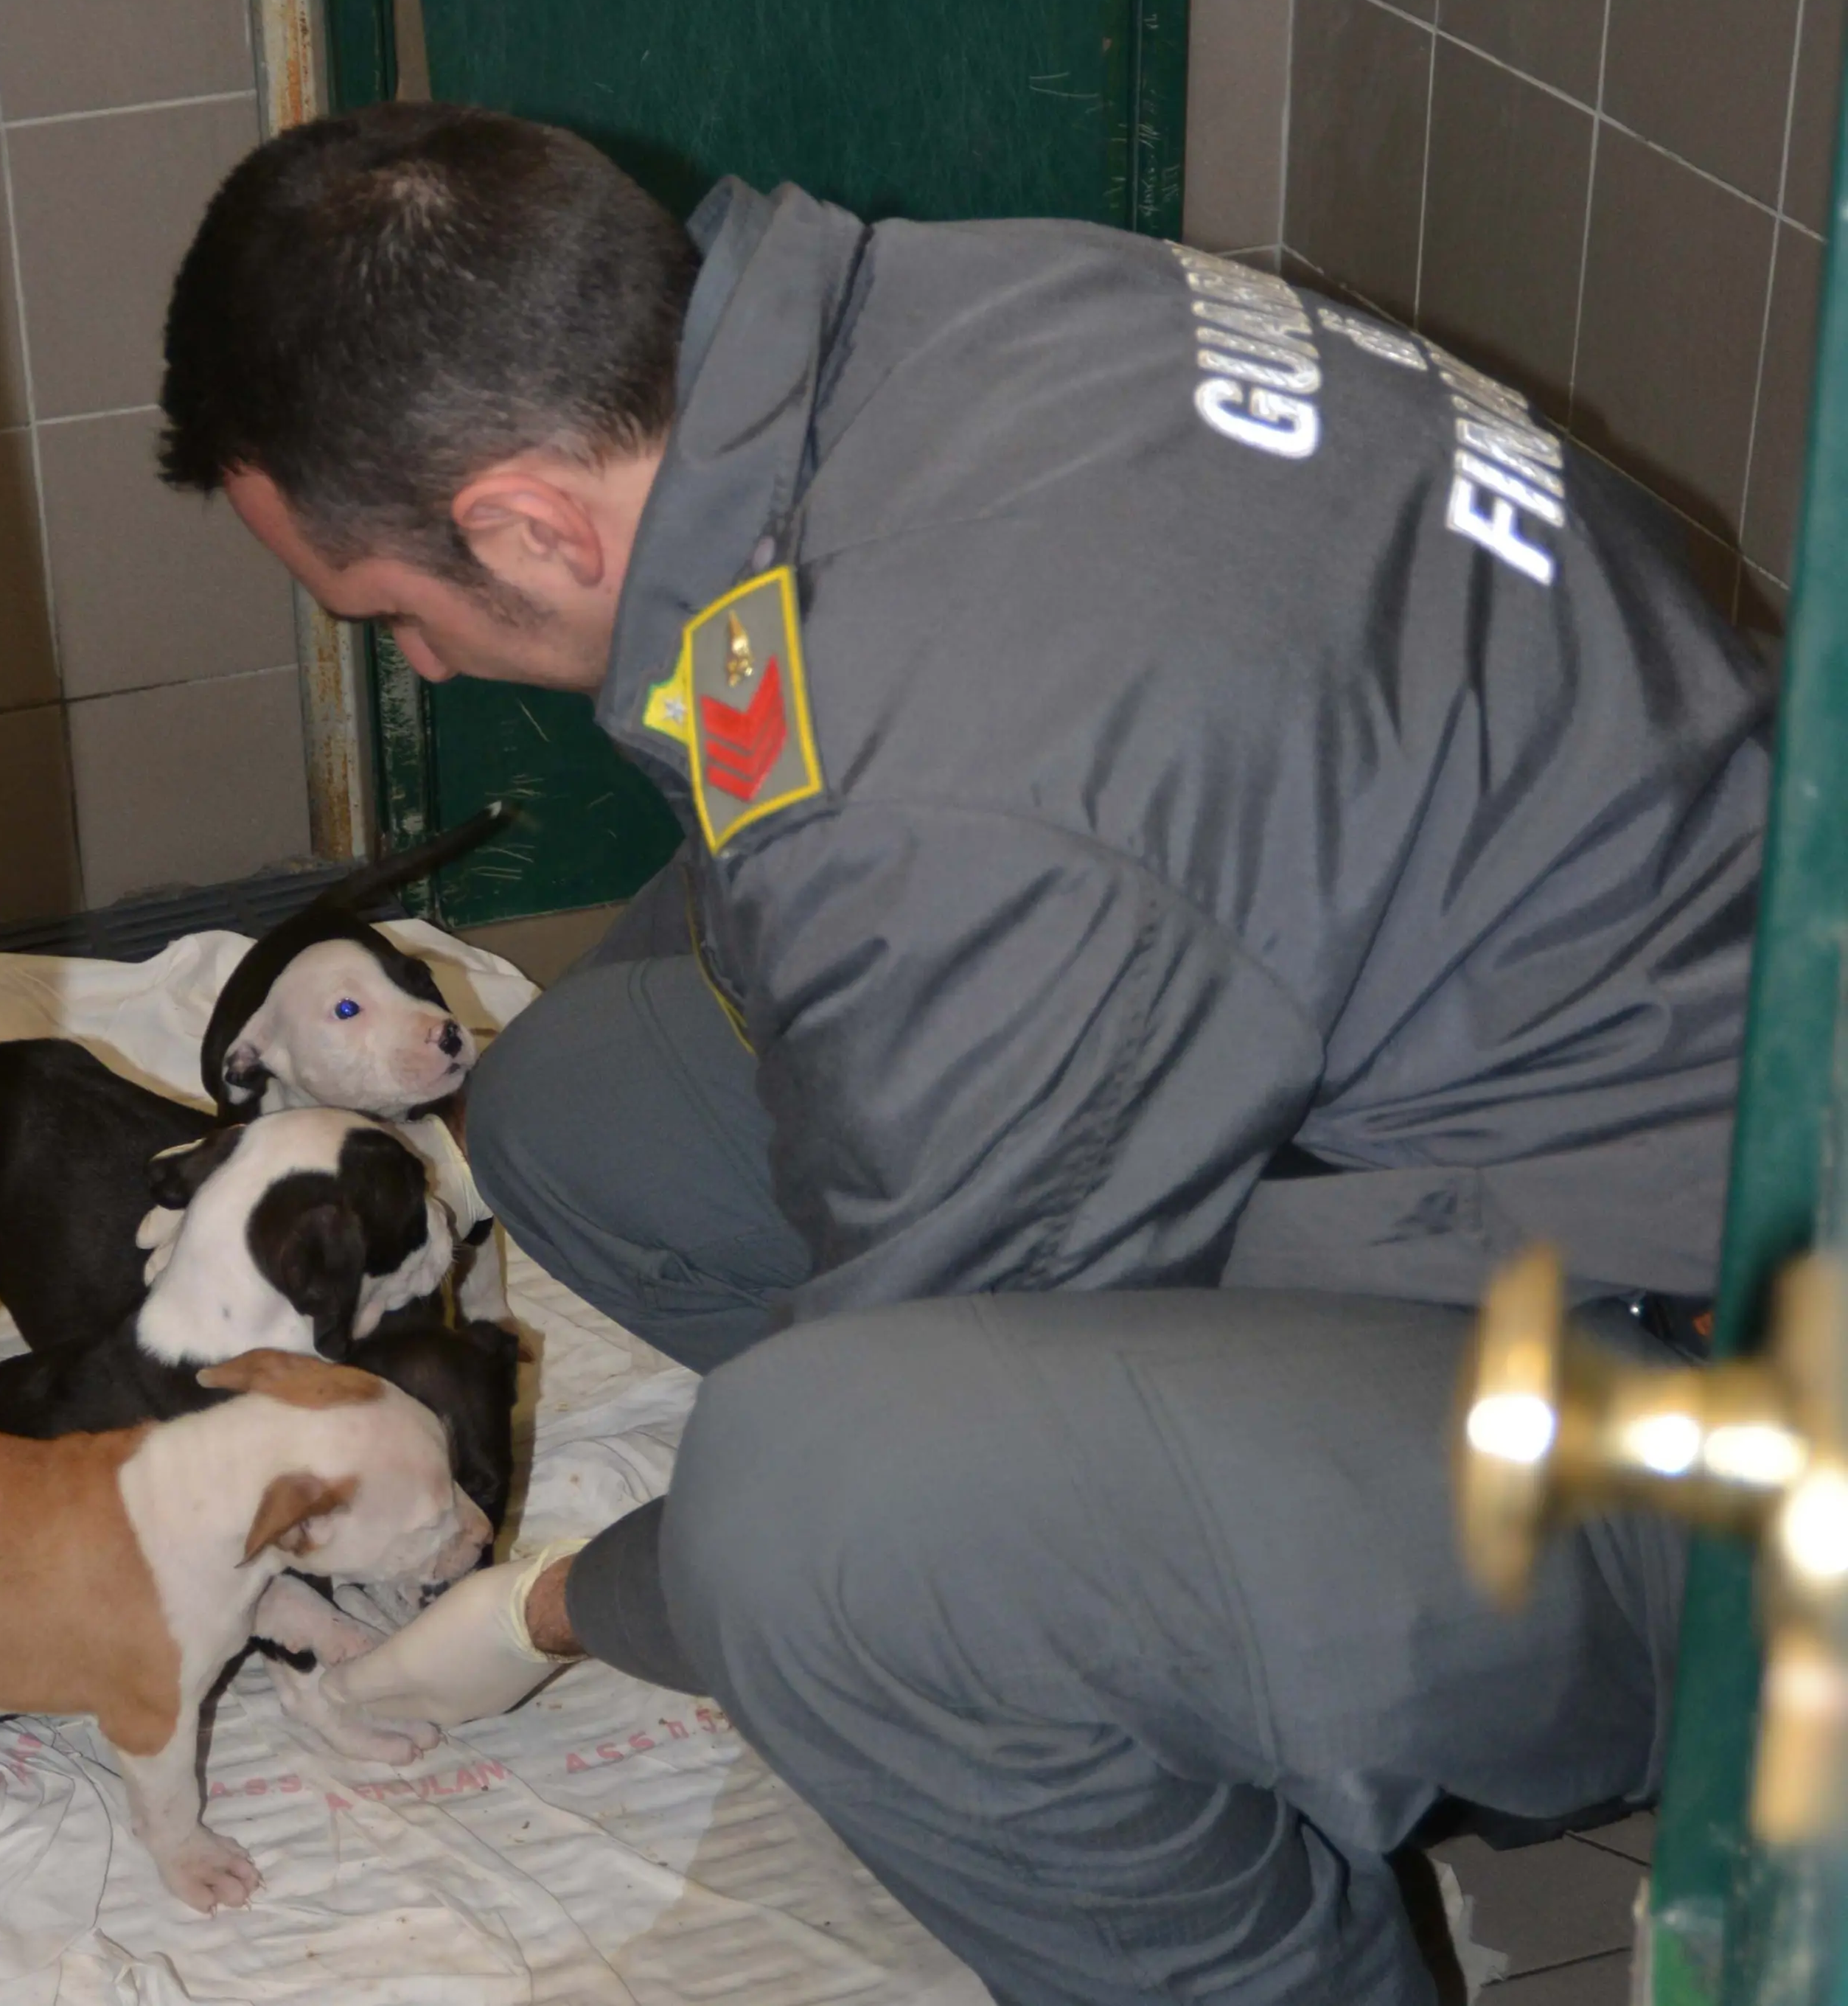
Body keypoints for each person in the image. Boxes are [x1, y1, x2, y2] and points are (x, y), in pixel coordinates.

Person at [155, 102, 1768, 2002]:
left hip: (1721, 1407)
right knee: (577, 1119)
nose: (415, 665)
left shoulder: (976, 789)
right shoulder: (932, 329)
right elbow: (800, 867)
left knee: (817, 1539)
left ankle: (1101, 1680)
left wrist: (565, 1604)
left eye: (390, 614)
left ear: (518, 519)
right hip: (1518, 1124)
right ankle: (1149, 1660)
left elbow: (931, 1021)